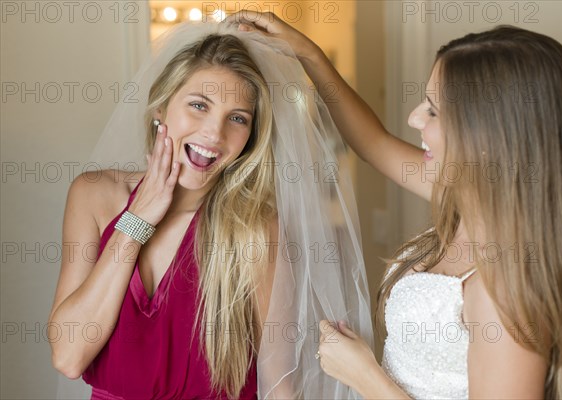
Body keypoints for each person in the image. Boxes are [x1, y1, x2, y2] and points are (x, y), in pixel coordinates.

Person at [226, 12, 562, 399]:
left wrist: (364, 375)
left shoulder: (505, 286)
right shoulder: (465, 197)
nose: (414, 117)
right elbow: (373, 144)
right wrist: (310, 56)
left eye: (434, 111)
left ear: (491, 133)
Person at [48, 21, 372, 399]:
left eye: (237, 118)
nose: (214, 134)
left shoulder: (255, 226)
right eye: (199, 105)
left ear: (249, 138)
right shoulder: (94, 195)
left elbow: (279, 385)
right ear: (161, 107)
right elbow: (68, 355)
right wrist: (137, 220)